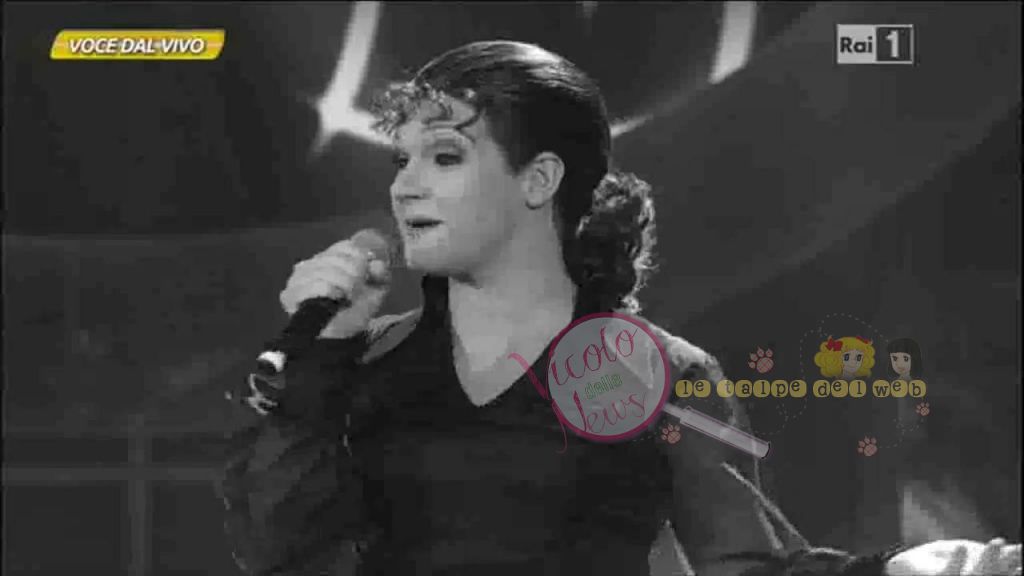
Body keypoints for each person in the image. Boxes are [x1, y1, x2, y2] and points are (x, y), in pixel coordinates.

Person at [219, 41, 1019, 576]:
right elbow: (275, 550)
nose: (404, 186)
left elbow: (746, 566)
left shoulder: (654, 372)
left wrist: (931, 569)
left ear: (539, 180)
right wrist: (320, 356)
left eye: (446, 155)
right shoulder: (357, 361)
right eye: (402, 159)